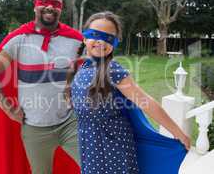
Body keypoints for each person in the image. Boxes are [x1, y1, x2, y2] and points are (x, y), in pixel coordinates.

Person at [64, 11, 190, 174]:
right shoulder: (83, 67)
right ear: (85, 38)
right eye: (95, 34)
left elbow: (146, 101)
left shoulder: (113, 69)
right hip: (89, 143)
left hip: (112, 147)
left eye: (108, 37)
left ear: (114, 43)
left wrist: (177, 132)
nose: (101, 41)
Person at [0, 0, 83, 174]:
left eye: (55, 4)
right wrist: (8, 109)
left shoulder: (75, 40)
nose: (50, 7)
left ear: (61, 8)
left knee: (94, 165)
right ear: (35, 7)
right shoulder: (19, 39)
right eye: (44, 2)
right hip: (35, 128)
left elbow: (90, 68)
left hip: (69, 123)